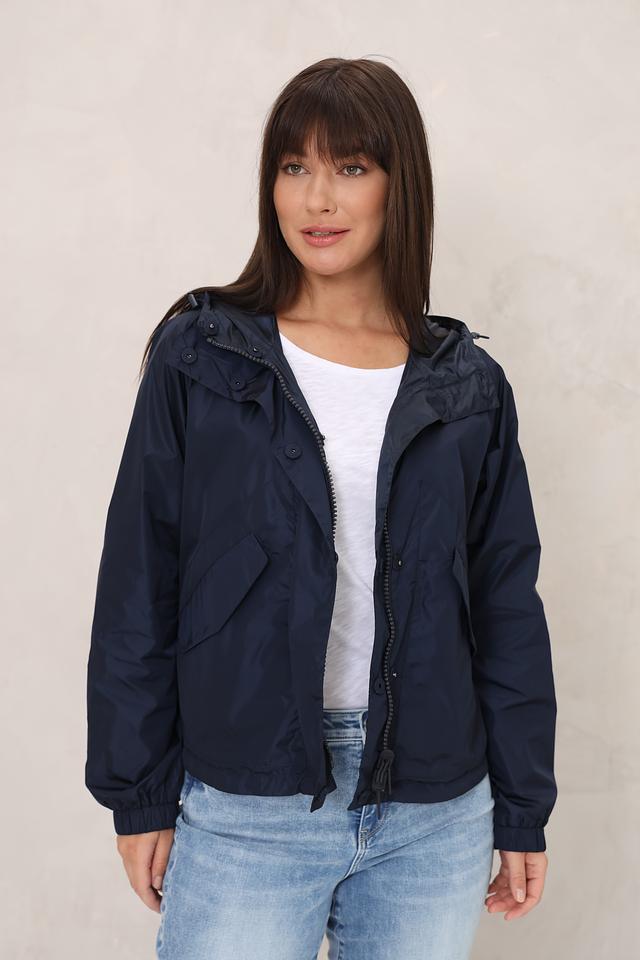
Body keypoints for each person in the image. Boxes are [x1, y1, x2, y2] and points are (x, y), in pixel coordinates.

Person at [85, 57, 558, 959]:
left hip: (434, 813)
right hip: (248, 804)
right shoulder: (203, 357)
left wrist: (523, 805)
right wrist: (139, 791)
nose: (317, 198)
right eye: (294, 166)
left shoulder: (467, 386)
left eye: (351, 166)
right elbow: (141, 578)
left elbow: (505, 604)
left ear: (398, 184)